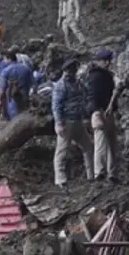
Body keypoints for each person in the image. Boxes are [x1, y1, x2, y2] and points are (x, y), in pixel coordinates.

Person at [52, 59, 95, 188]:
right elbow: (56, 106)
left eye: (74, 70)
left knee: (89, 147)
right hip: (67, 121)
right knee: (62, 151)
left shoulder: (79, 83)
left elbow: (86, 95)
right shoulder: (61, 86)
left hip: (79, 121)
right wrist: (59, 123)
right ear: (66, 71)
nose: (72, 73)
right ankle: (60, 179)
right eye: (70, 70)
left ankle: (91, 175)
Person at [89, 50, 120, 181]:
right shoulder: (95, 76)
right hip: (99, 111)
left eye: (108, 60)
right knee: (100, 143)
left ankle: (111, 173)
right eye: (105, 60)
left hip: (109, 111)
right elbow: (94, 97)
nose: (107, 63)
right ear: (99, 61)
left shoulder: (107, 75)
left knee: (112, 143)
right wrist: (98, 112)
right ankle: (99, 172)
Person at [0, 51, 33, 120]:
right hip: (26, 96)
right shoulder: (26, 68)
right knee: (26, 116)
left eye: (5, 59)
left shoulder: (6, 71)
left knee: (15, 119)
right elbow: (32, 83)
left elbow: (2, 88)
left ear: (9, 59)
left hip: (13, 99)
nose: (4, 61)